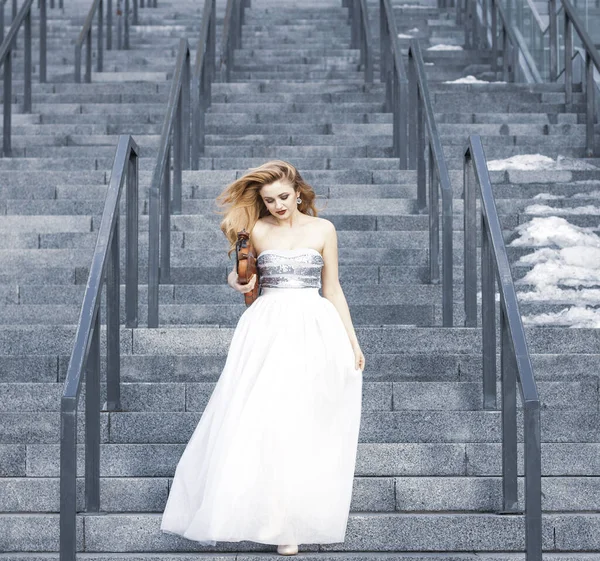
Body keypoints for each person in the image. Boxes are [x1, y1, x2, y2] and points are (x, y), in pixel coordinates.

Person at [160, 160, 364, 556]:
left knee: (305, 421)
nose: (278, 205)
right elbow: (239, 274)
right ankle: (273, 521)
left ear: (299, 191)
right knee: (266, 419)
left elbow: (333, 289)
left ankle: (291, 520)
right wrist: (237, 280)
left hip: (315, 327)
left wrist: (353, 343)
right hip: (267, 327)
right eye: (269, 200)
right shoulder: (254, 229)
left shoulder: (324, 230)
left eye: (284, 197)